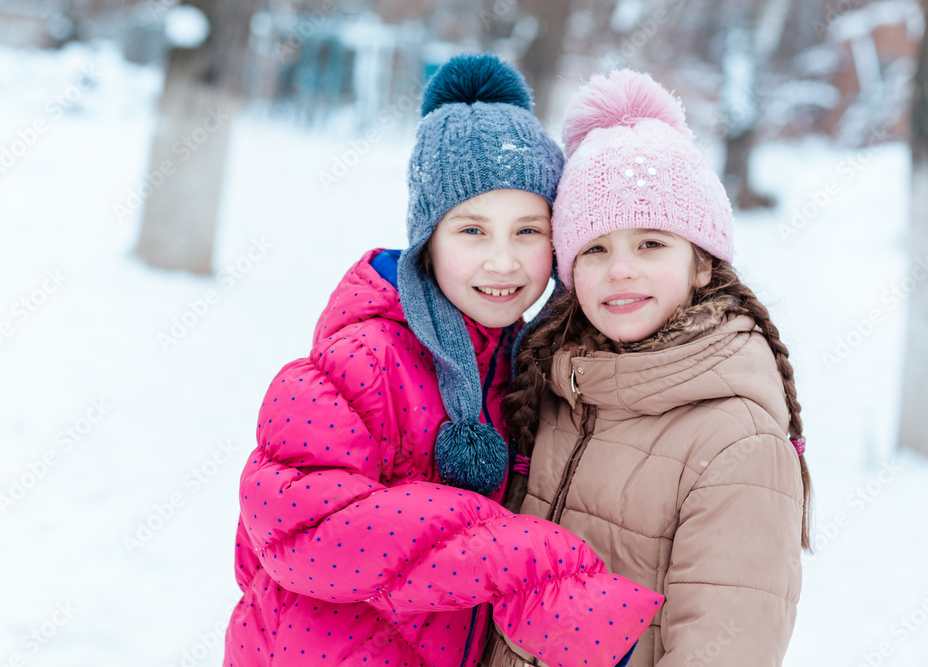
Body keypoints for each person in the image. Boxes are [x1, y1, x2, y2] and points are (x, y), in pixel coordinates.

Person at [224, 54, 662, 667]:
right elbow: (301, 526)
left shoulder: (524, 368)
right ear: (427, 240)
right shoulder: (364, 359)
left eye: (529, 232)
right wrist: (525, 566)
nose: (503, 262)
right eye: (472, 231)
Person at [494, 70, 811, 666]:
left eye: (651, 244)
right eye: (595, 248)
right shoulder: (553, 385)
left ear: (701, 265)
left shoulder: (737, 443)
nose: (621, 271)